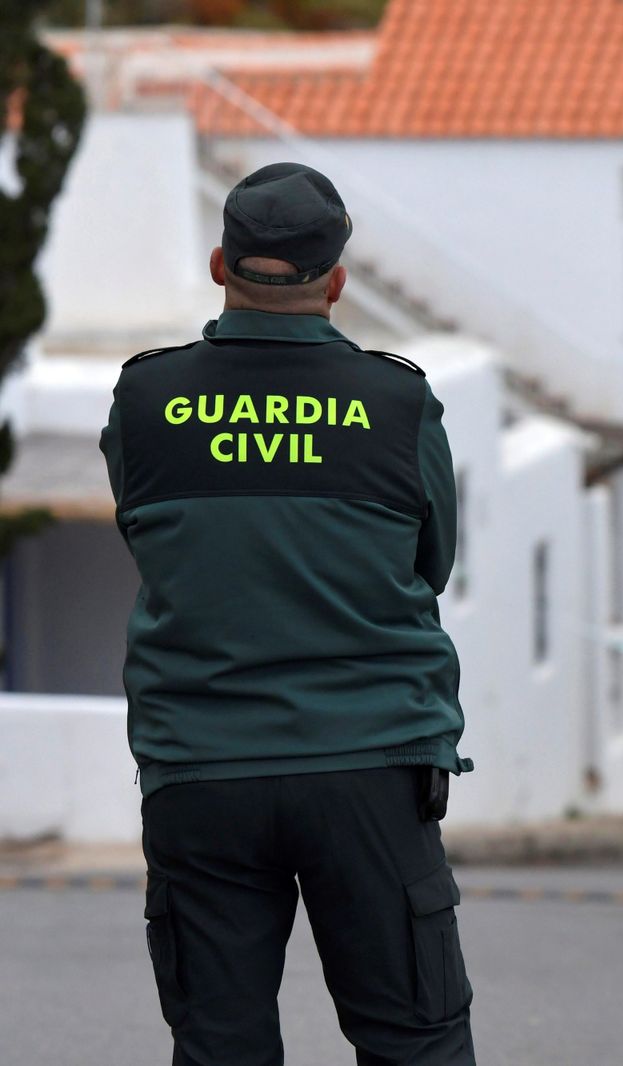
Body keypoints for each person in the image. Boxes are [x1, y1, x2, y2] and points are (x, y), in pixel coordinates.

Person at [98, 161, 477, 1066]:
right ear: (336, 282)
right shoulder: (395, 403)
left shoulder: (146, 400)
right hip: (371, 765)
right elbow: (432, 564)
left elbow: (151, 537)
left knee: (220, 1043)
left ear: (221, 262)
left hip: (202, 768)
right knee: (413, 1041)